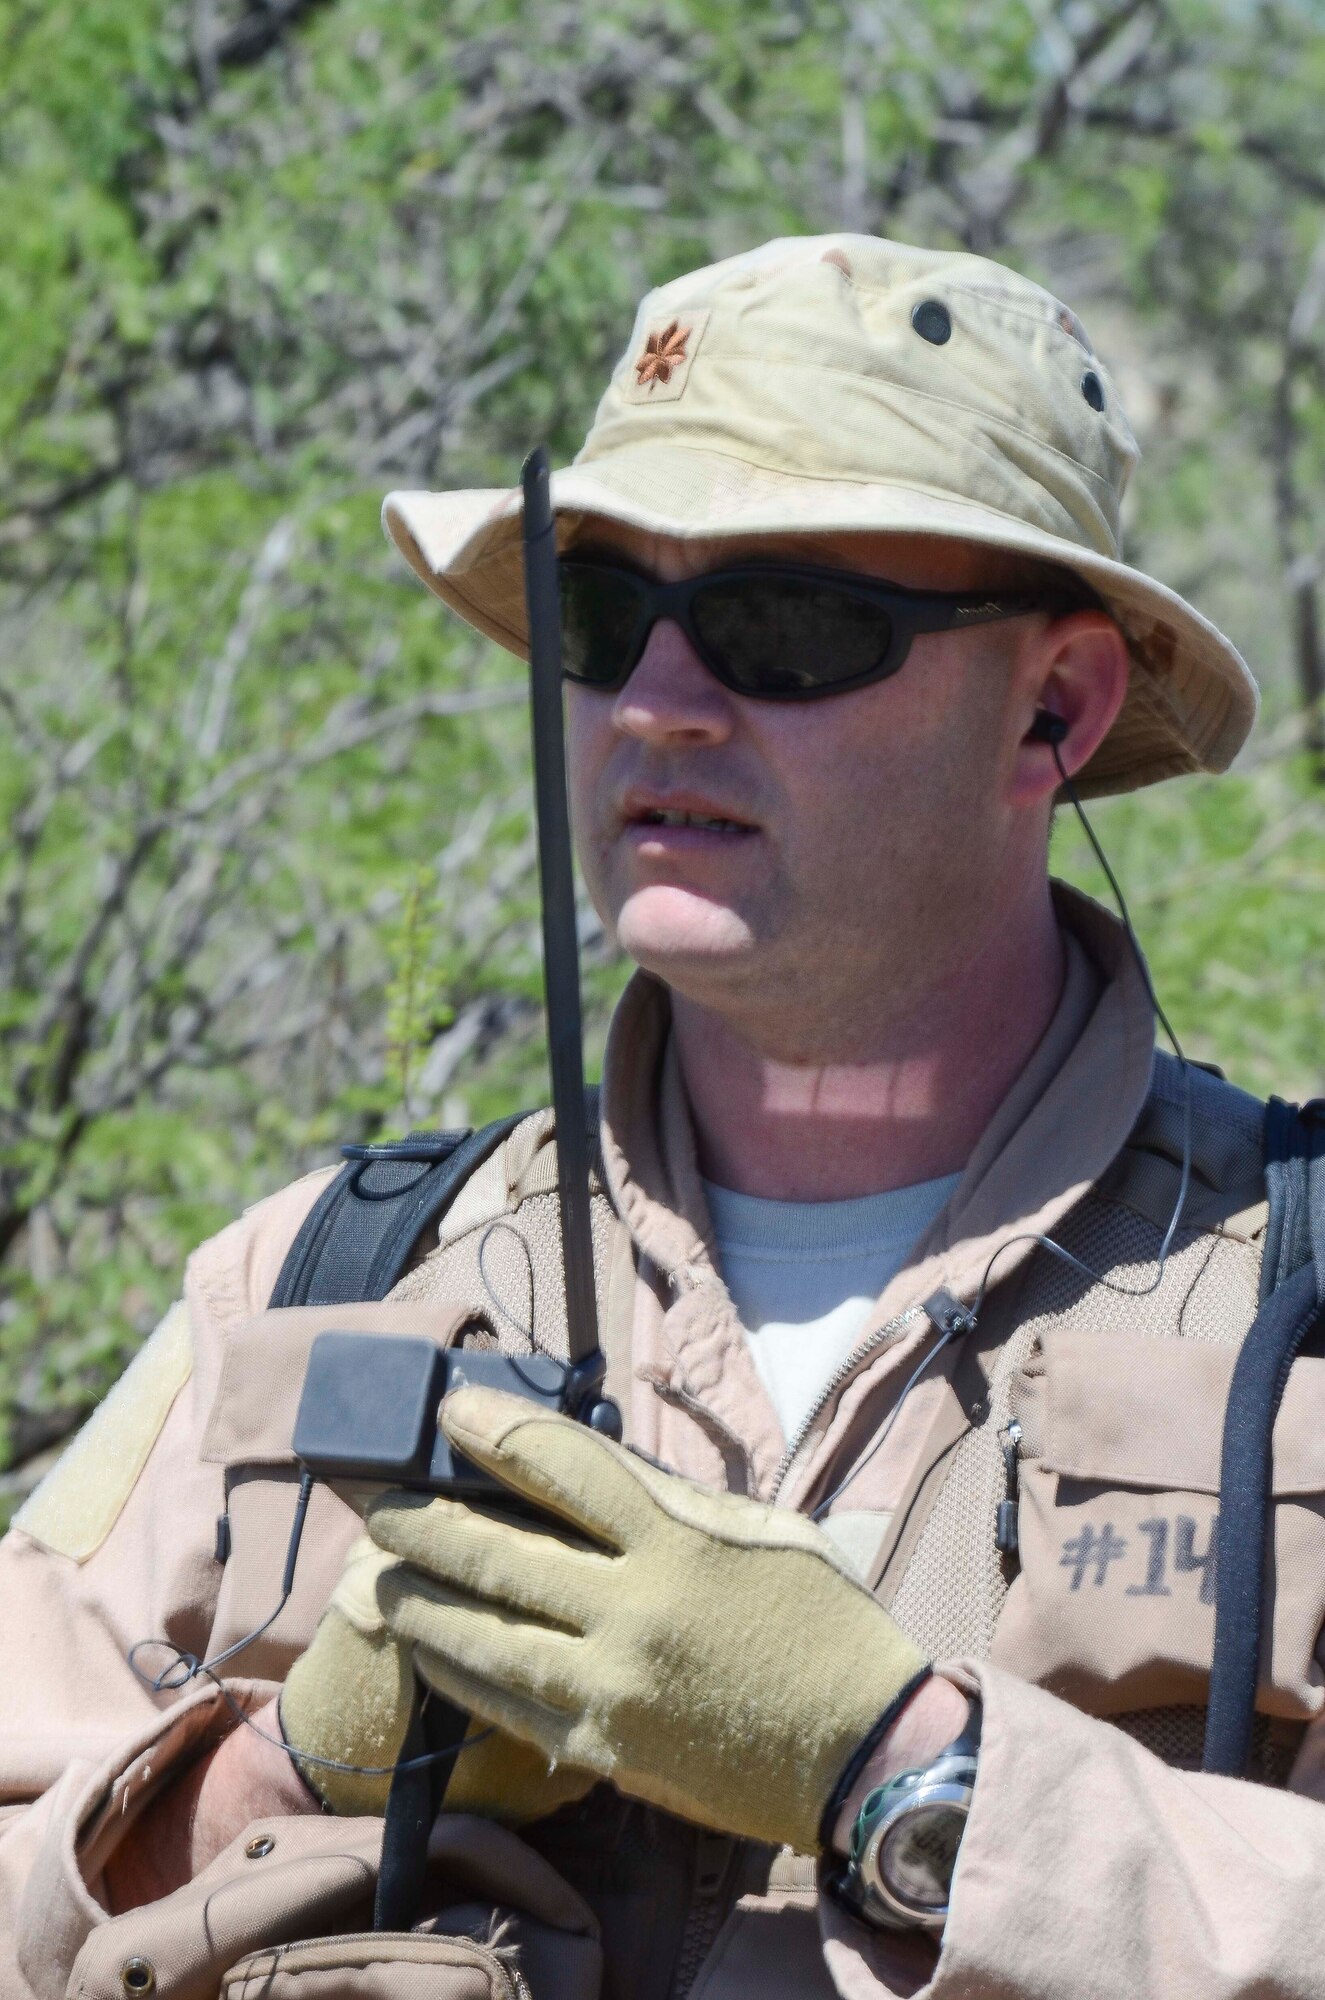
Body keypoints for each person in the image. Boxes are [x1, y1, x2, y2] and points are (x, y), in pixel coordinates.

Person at [1, 233, 1322, 2000]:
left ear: (1056, 708)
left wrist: (902, 1774)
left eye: (784, 629)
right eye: (605, 615)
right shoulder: (311, 1287)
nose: (656, 704)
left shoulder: (1288, 1324)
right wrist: (273, 1778)